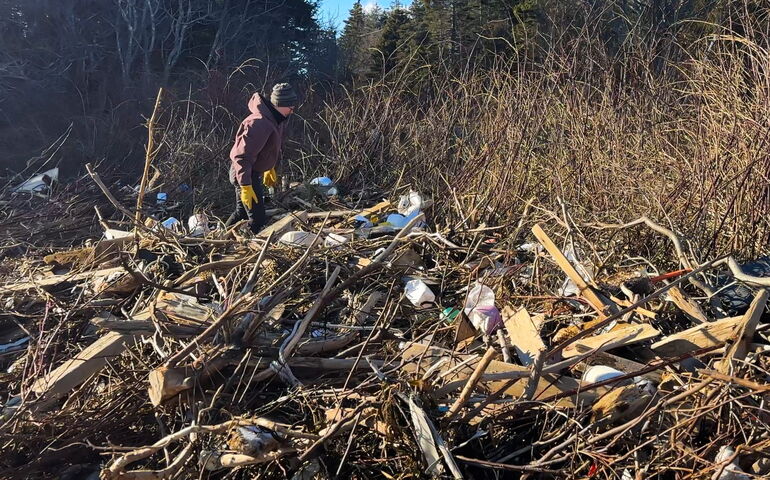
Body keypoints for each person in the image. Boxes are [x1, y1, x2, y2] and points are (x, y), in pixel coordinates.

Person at [225, 83, 297, 233]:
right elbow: (241, 156)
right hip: (244, 173)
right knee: (257, 218)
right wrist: (245, 185)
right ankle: (248, 247)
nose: (292, 110)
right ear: (279, 104)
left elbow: (268, 147)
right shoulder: (258, 123)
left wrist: (269, 167)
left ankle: (220, 238)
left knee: (242, 213)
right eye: (290, 106)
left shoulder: (276, 120)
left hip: (252, 171)